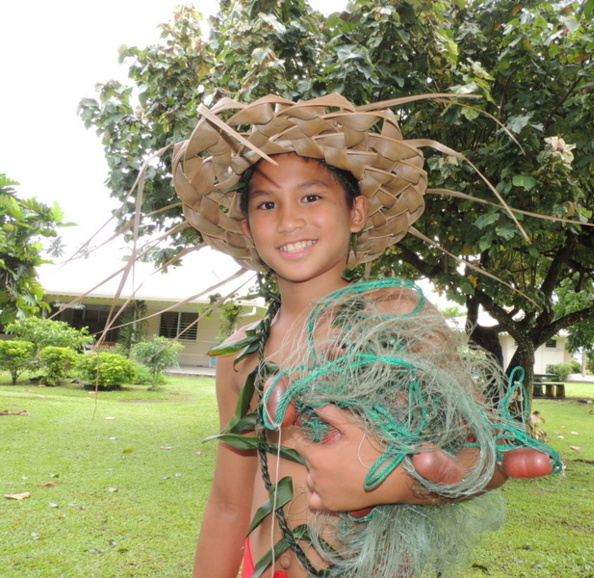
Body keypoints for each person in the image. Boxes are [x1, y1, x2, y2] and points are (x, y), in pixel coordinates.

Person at [172, 94, 560, 578]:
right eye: (267, 204)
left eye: (311, 197)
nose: (290, 220)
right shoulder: (239, 352)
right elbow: (229, 504)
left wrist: (398, 482)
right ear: (248, 228)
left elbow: (486, 455)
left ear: (356, 213)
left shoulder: (399, 317)